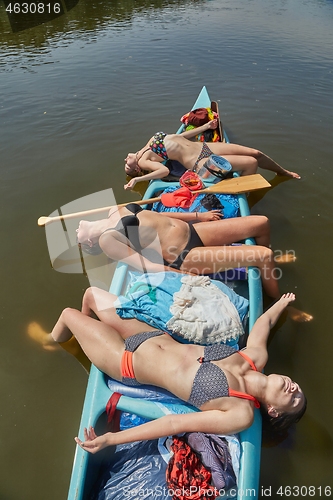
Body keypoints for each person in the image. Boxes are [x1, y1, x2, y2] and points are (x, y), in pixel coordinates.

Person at [27, 291, 307, 451]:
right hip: (148, 335)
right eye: (298, 388)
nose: (294, 388)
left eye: (294, 399)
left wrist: (112, 439)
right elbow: (263, 325)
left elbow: (175, 424)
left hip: (125, 360)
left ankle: (51, 342)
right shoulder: (255, 357)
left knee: (67, 314)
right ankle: (82, 340)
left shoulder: (241, 412)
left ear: (273, 411)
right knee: (90, 295)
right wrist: (283, 303)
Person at [75, 204, 312, 321]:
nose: (77, 229)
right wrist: (187, 277)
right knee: (264, 256)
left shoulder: (111, 211)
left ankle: (267, 268)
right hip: (184, 256)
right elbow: (149, 266)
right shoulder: (107, 240)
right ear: (91, 245)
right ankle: (281, 307)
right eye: (78, 236)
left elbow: (162, 216)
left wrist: (198, 216)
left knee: (261, 222)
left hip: (193, 230)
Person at [124, 120, 301, 190]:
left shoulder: (148, 145)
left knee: (256, 153)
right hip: (199, 161)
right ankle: (245, 192)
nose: (126, 160)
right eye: (128, 167)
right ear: (137, 168)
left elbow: (178, 136)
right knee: (250, 163)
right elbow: (162, 171)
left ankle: (282, 172)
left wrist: (205, 127)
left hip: (204, 147)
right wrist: (138, 180)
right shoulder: (145, 160)